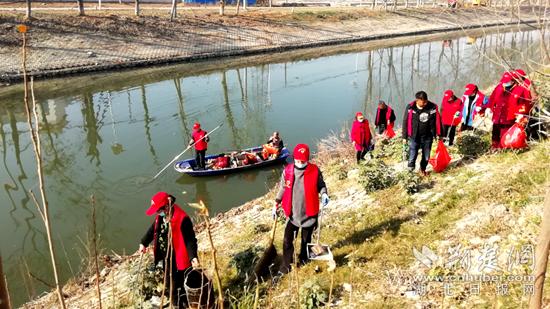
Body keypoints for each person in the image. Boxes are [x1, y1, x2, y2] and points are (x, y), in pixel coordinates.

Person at [273, 144, 329, 275]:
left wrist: (324, 193)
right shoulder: (288, 171)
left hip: (309, 213)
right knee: (287, 241)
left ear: (308, 159)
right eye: (297, 160)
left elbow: (321, 184)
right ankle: (286, 265)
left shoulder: (314, 170)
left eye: (303, 161)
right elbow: (282, 188)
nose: (300, 163)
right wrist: (276, 202)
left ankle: (304, 260)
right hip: (292, 214)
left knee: (306, 240)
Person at [139, 192, 199, 308]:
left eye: (158, 210)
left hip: (179, 259)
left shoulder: (182, 219)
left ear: (166, 207)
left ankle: (179, 304)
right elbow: (153, 230)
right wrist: (143, 243)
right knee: (169, 281)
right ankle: (176, 299)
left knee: (178, 284)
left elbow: (190, 240)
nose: (157, 213)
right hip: (166, 257)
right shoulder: (161, 217)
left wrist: (193, 257)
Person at [486, 71, 532, 148]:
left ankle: (505, 148)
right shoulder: (500, 88)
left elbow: (524, 103)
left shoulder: (520, 89)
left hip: (509, 118)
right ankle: (494, 147)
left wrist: (521, 114)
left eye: (507, 81)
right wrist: (489, 107)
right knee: (495, 133)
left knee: (506, 135)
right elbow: (493, 98)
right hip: (498, 116)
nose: (505, 83)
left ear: (513, 80)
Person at [402, 91, 443, 176]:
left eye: (426, 101)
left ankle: (422, 169)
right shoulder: (410, 107)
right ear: (417, 100)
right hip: (414, 136)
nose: (425, 103)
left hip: (428, 136)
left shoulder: (432, 107)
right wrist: (404, 137)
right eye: (423, 102)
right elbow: (405, 121)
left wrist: (439, 134)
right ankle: (410, 172)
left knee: (426, 156)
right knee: (412, 155)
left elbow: (438, 121)